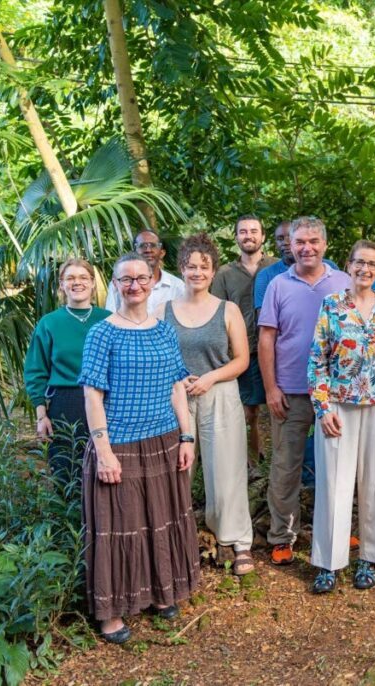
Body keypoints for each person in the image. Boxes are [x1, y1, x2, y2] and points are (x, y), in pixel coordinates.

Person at [78, 253, 199, 644]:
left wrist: (187, 436)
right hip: (120, 443)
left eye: (141, 278)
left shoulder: (163, 330)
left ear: (152, 281)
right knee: (120, 527)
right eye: (126, 279)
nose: (134, 284)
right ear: (114, 284)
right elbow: (92, 394)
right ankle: (111, 614)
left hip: (164, 441)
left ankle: (162, 593)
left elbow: (177, 386)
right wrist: (104, 451)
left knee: (161, 520)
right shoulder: (102, 332)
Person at [308, 239, 375, 592]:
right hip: (338, 405)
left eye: (372, 264)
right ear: (348, 266)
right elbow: (317, 360)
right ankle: (329, 563)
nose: (365, 269)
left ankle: (370, 557)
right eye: (359, 262)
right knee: (334, 485)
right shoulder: (332, 305)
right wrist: (322, 408)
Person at [157, 234, 255, 576]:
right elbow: (156, 356)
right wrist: (177, 378)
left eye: (204, 266)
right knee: (177, 466)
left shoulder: (227, 310)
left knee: (225, 467)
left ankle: (236, 538)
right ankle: (175, 535)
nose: (197, 272)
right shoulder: (162, 310)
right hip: (175, 396)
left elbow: (242, 359)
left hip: (220, 393)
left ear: (213, 272)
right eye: (190, 266)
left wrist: (211, 377)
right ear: (180, 269)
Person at [258, 217, 351, 565]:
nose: (306, 248)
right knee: (285, 465)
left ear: (325, 245)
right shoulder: (278, 286)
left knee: (339, 464)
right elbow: (266, 338)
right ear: (290, 245)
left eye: (313, 241)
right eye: (300, 242)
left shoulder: (343, 282)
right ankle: (282, 536)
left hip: (337, 392)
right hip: (291, 390)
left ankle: (338, 528)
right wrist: (271, 388)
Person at [24, 258, 110, 485]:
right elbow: (35, 371)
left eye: (83, 277)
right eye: (70, 278)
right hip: (65, 403)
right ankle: (69, 521)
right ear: (61, 285)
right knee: (67, 470)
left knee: (105, 466)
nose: (77, 282)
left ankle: (102, 520)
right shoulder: (49, 323)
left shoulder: (109, 319)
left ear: (92, 283)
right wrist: (41, 415)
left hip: (106, 401)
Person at [211, 215, 278, 464]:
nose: (248, 235)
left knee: (280, 408)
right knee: (248, 412)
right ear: (236, 236)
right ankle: (253, 462)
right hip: (242, 351)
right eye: (243, 232)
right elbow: (216, 312)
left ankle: (280, 462)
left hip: (275, 348)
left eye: (253, 231)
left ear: (262, 236)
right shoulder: (225, 274)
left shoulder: (277, 267)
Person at [105, 230, 184, 311]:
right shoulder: (119, 284)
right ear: (134, 252)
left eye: (153, 245)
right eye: (142, 246)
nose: (148, 250)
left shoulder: (177, 286)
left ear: (162, 253)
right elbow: (110, 317)